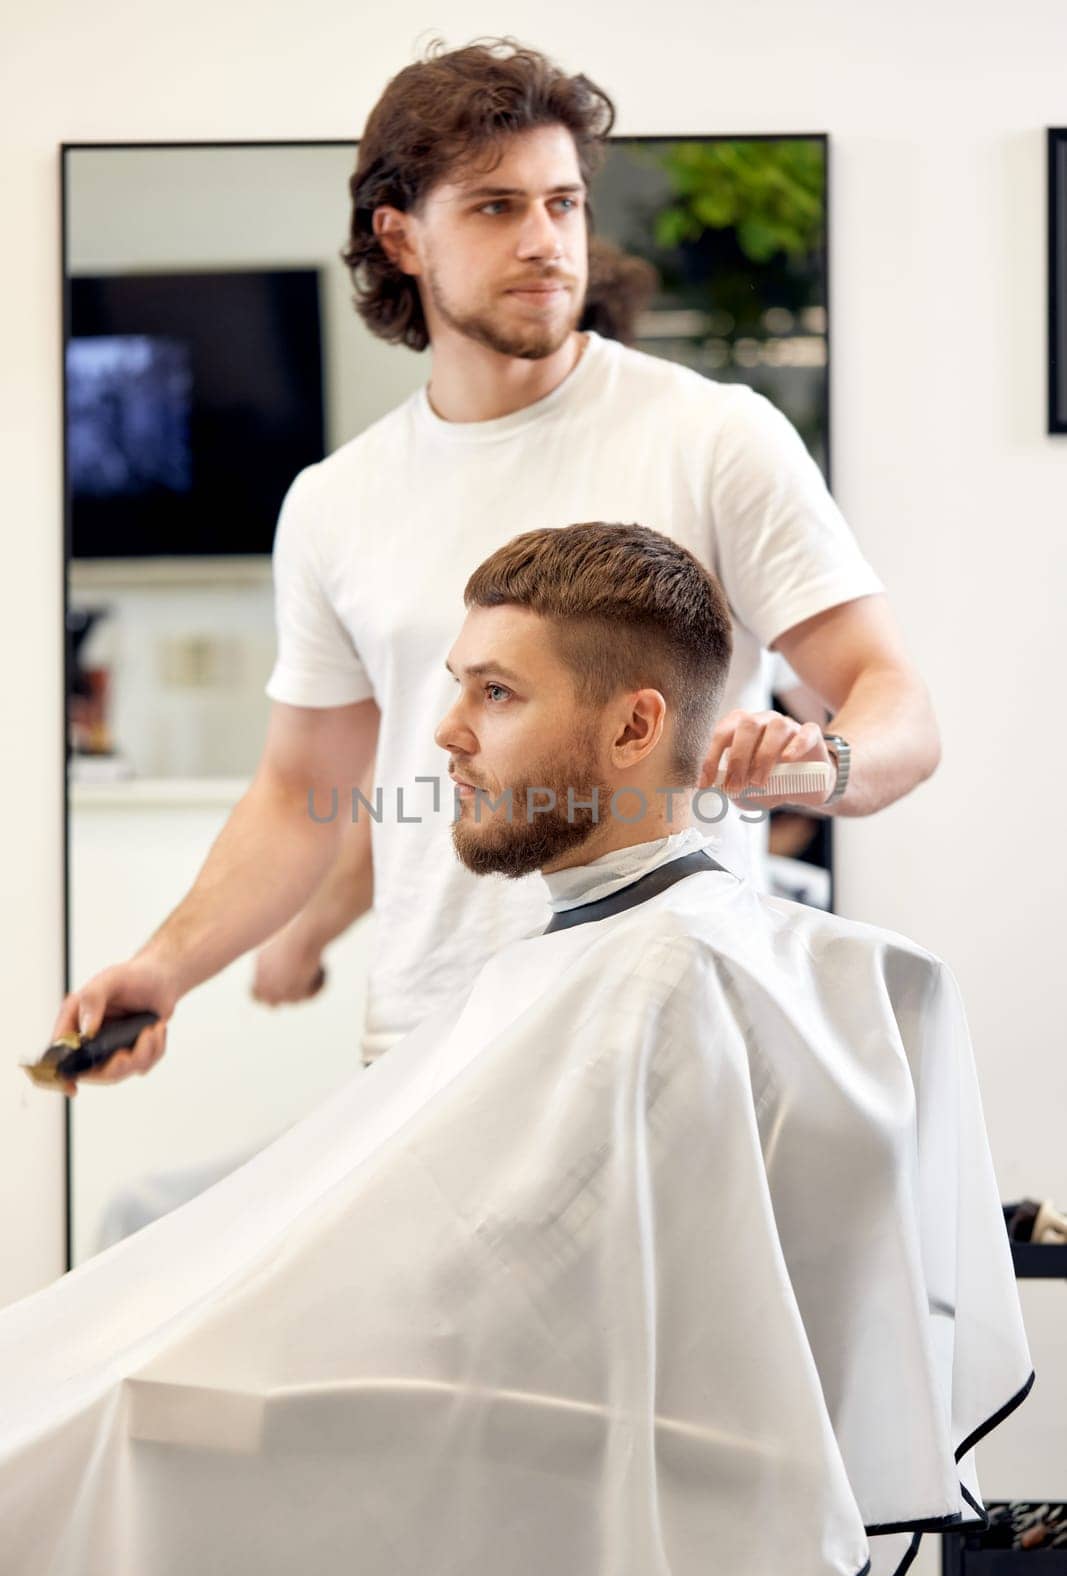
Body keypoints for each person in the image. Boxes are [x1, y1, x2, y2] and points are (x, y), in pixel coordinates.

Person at [4, 523, 1027, 1576]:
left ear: (635, 724)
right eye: (455, 687)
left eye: (492, 693)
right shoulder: (611, 957)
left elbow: (499, 1316)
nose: (444, 732)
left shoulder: (660, 976)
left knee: (88, 1408)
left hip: (475, 1455)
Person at [52, 35, 940, 1087]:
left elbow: (898, 709)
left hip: (663, 1035)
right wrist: (165, 964)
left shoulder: (712, 438)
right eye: (494, 207)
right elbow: (300, 793)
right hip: (424, 1043)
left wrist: (822, 763)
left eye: (562, 203)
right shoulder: (336, 501)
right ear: (400, 238)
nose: (544, 240)